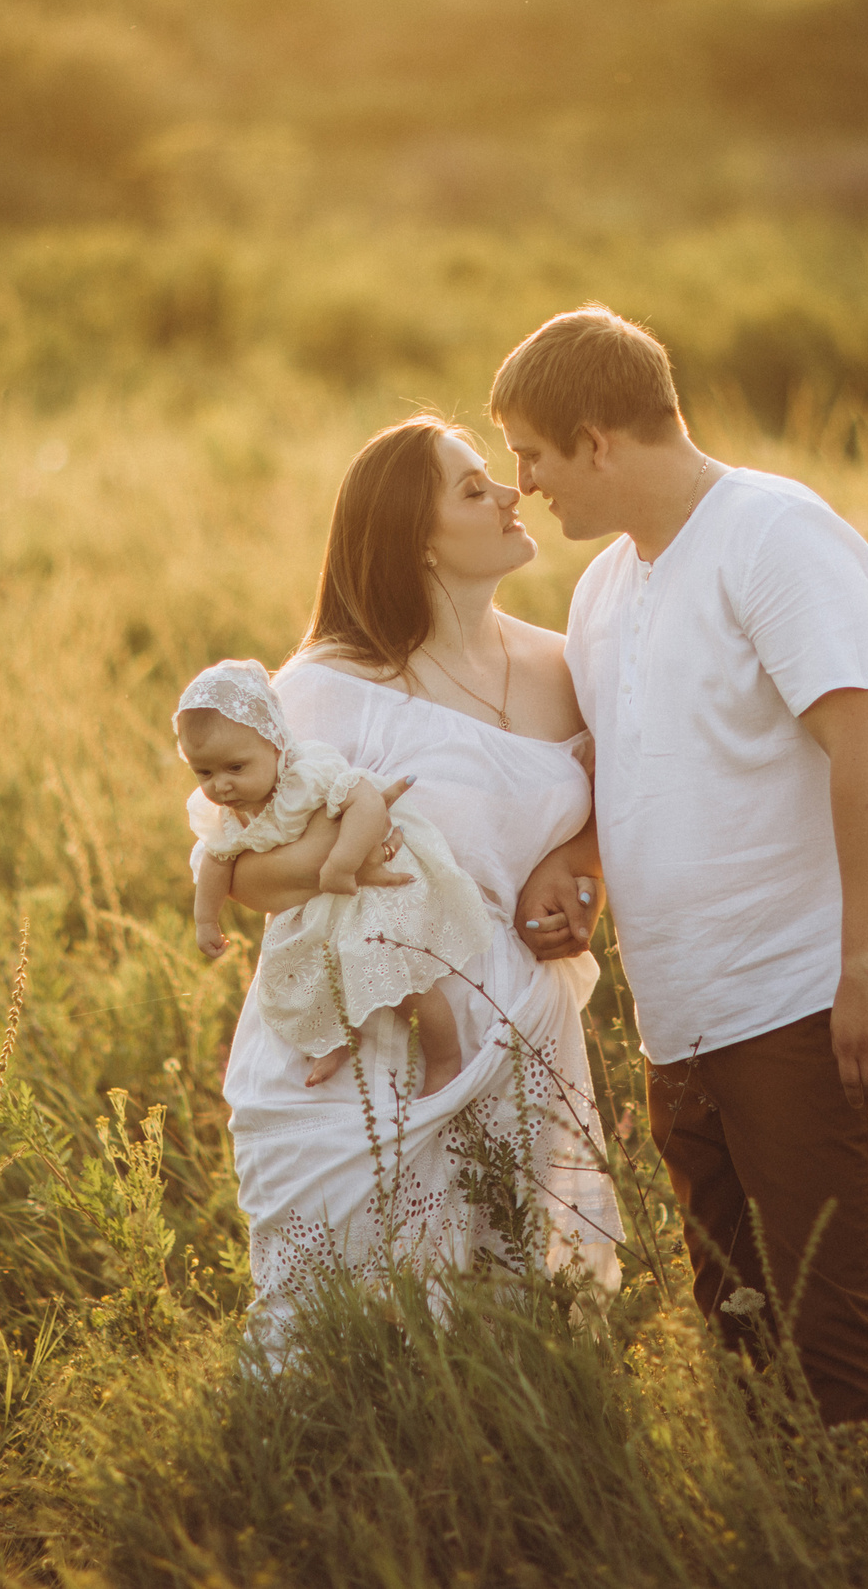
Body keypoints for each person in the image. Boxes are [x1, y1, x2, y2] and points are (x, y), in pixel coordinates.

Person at [496, 306, 868, 1468]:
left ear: (596, 442)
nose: (522, 484)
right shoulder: (602, 589)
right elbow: (636, 769)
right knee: (737, 1329)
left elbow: (867, 748)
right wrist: (574, 862)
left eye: (531, 455)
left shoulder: (774, 534)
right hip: (681, 1022)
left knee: (835, 1335)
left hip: (802, 1000)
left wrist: (865, 971)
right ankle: (780, 1526)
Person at [213, 415, 620, 1342]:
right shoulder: (328, 685)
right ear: (418, 541)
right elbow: (241, 870)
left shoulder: (564, 666)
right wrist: (352, 864)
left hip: (518, 1028)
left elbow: (608, 801)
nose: (512, 492)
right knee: (341, 1332)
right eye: (474, 489)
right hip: (363, 1035)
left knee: (517, 1329)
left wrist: (577, 871)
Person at [178, 657, 484, 1094]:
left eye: (236, 768)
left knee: (398, 979)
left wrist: (341, 862)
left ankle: (445, 1057)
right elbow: (216, 861)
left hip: (360, 893)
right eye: (204, 773)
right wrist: (206, 919)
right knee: (297, 982)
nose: (221, 786)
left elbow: (367, 801)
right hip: (309, 909)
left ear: (276, 746)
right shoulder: (229, 814)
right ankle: (336, 1039)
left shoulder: (306, 775)